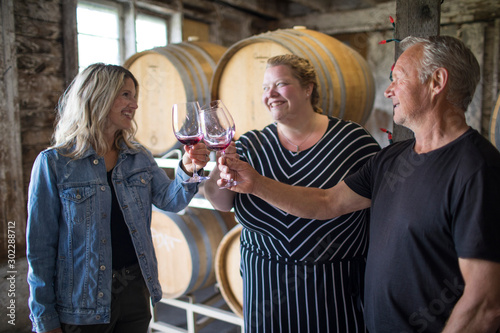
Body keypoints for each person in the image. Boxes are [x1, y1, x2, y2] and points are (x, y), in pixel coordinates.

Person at [217, 36, 500, 332]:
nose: (389, 90)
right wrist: (256, 184)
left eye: (398, 79)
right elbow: (326, 203)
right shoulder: (392, 160)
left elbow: (485, 304)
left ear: (437, 81)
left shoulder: (478, 170)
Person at [26, 63, 211, 333]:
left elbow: (171, 201)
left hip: (135, 291)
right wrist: (45, 320)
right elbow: (40, 249)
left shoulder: (139, 156)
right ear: (97, 96)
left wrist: (188, 170)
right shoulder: (54, 163)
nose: (134, 105)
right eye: (126, 95)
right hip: (83, 301)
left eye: (135, 96)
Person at [204, 54, 380, 332]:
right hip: (264, 288)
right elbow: (222, 202)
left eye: (281, 84)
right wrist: (218, 167)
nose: (270, 94)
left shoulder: (352, 141)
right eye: (264, 87)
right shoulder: (251, 143)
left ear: (308, 88)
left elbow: (372, 209)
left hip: (332, 288)